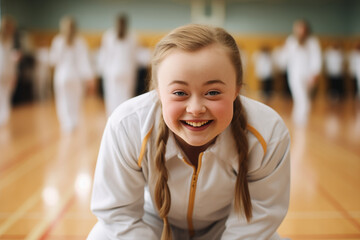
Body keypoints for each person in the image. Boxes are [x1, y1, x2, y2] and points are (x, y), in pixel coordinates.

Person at [88, 24, 290, 240]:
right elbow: (118, 214)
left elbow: (260, 216)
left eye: (212, 92)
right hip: (153, 225)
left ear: (236, 89)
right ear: (158, 92)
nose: (195, 109)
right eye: (179, 92)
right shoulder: (127, 126)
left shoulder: (267, 134)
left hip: (225, 228)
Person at [49, 16, 95, 132]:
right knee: (75, 100)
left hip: (62, 76)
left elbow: (53, 60)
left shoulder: (57, 41)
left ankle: (66, 123)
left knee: (63, 100)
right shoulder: (80, 42)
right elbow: (84, 62)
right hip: (76, 76)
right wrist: (89, 77)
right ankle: (73, 122)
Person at [282, 19, 322, 126]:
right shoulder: (291, 41)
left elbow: (316, 58)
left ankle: (300, 119)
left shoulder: (312, 41)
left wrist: (315, 73)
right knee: (300, 97)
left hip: (308, 75)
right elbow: (285, 58)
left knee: (305, 98)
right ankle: (300, 120)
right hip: (294, 75)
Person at [98, 14, 138, 116]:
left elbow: (104, 55)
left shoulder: (108, 35)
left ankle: (112, 118)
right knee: (126, 97)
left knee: (112, 97)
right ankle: (124, 117)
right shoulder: (132, 36)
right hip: (127, 70)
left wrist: (100, 70)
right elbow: (134, 56)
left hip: (111, 71)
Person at [0, 15, 20, 126]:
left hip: (7, 71)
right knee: (2, 94)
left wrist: (14, 73)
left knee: (6, 94)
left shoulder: (10, 40)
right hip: (2, 70)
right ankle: (2, 116)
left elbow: (10, 58)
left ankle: (4, 117)